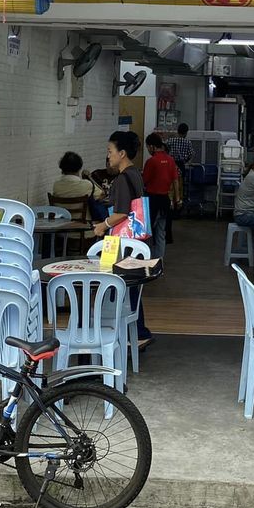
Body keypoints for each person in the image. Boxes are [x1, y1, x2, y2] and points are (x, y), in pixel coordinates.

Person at [93, 130, 154, 351]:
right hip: (136, 241)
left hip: (119, 241)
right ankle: (137, 332)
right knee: (131, 286)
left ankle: (120, 332)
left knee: (114, 284)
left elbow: (121, 213)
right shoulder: (135, 173)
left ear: (122, 153)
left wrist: (102, 226)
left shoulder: (121, 178)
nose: (108, 156)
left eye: (110, 151)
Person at [142, 133, 179, 257]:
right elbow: (175, 180)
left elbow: (144, 181)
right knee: (161, 233)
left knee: (148, 233)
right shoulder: (170, 160)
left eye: (148, 147)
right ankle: (159, 263)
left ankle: (147, 261)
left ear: (152, 146)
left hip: (151, 201)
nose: (148, 150)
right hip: (165, 201)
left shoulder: (151, 161)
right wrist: (177, 199)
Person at [52, 151, 106, 221]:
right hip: (83, 226)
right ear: (79, 167)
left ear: (62, 168)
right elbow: (102, 195)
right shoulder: (87, 185)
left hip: (62, 225)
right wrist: (90, 177)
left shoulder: (56, 186)